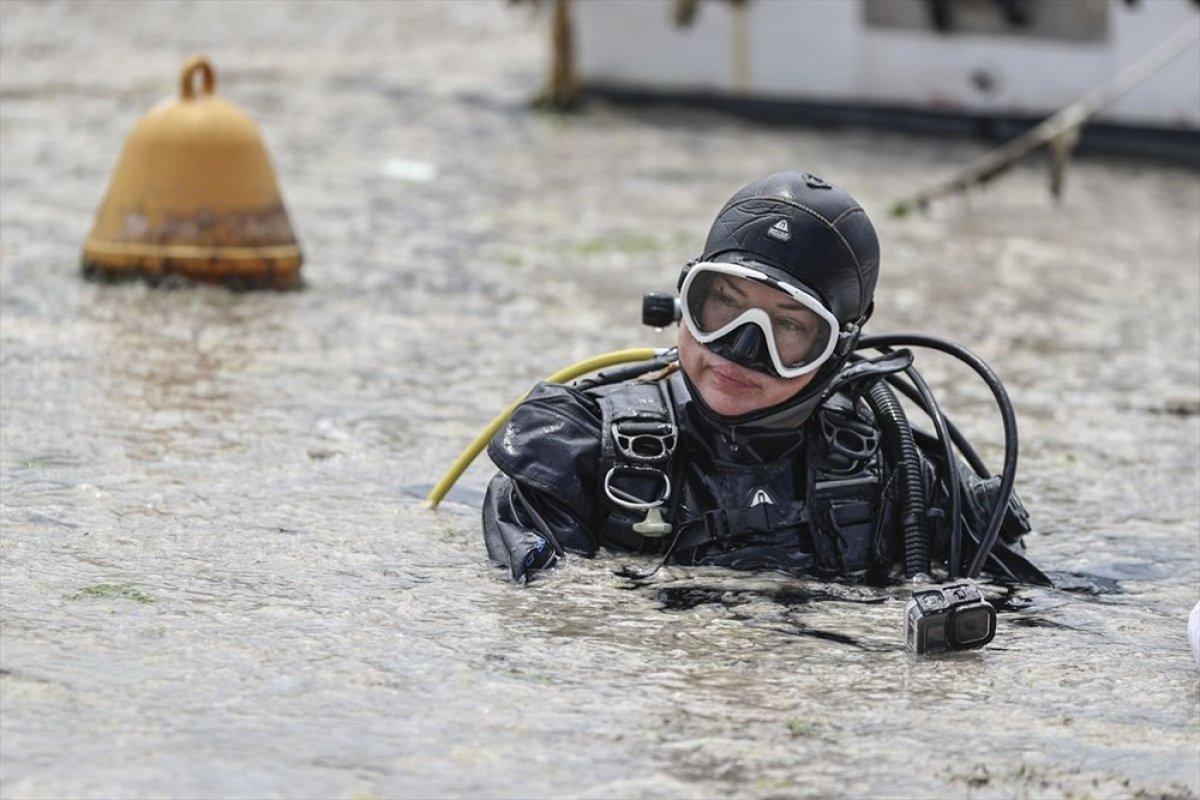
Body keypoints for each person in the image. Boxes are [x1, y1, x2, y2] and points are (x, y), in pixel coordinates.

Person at [481, 171, 1046, 587]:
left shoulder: (900, 474)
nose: (742, 350)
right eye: (723, 305)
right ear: (684, 300)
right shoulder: (574, 450)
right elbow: (539, 618)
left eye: (789, 326)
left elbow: (1029, 613)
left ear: (840, 345)